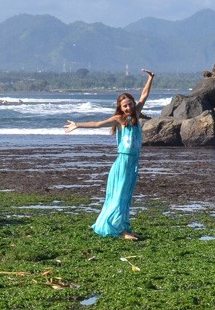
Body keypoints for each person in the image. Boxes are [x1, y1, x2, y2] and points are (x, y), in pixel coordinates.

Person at [63, 69, 155, 240]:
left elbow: (144, 95)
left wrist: (150, 78)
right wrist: (78, 125)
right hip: (122, 163)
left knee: (126, 196)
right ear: (120, 108)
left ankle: (123, 227)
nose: (128, 107)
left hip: (133, 163)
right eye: (125, 105)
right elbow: (98, 123)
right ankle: (119, 231)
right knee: (119, 195)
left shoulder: (135, 114)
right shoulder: (119, 119)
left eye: (130, 104)